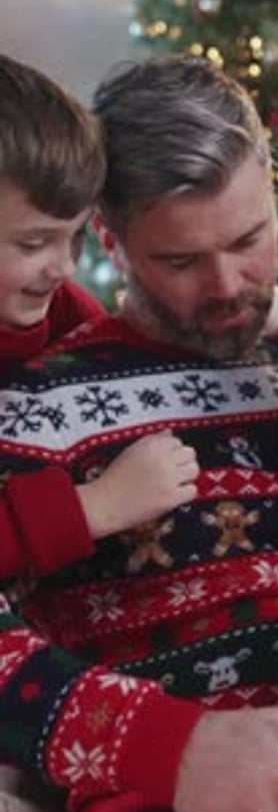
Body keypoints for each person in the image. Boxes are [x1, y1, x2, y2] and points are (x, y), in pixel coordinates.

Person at [0, 55, 278, 812]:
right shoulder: (34, 400)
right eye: (180, 261)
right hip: (171, 810)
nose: (225, 286)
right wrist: (159, 746)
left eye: (250, 239)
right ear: (107, 240)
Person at [0, 52, 204, 580]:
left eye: (75, 236)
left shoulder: (67, 311)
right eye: (34, 242)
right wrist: (94, 507)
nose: (63, 266)